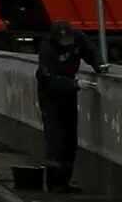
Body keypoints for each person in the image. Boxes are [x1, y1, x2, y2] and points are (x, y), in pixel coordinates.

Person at [34, 21, 96, 193]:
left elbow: (90, 51)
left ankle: (65, 181)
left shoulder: (77, 38)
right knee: (55, 140)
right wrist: (75, 85)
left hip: (68, 96)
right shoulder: (47, 49)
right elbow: (48, 78)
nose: (67, 43)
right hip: (51, 99)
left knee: (70, 140)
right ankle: (53, 183)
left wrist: (99, 65)